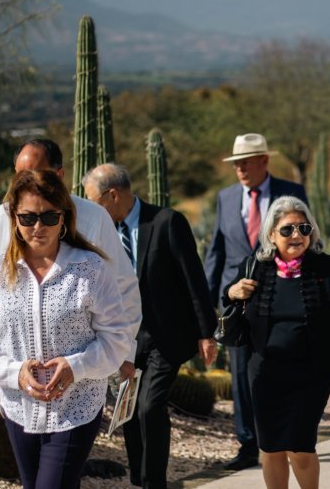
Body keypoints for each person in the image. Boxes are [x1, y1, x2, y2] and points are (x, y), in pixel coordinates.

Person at [0, 170, 133, 488]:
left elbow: (117, 336)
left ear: (64, 217)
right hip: (18, 408)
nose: (38, 227)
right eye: (28, 218)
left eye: (48, 217)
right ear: (14, 219)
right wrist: (15, 373)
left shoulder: (90, 269)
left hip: (76, 407)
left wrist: (75, 367)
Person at [0, 139, 141, 406]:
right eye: (20, 175)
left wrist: (125, 352)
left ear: (60, 175)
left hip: (80, 374)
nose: (28, 181)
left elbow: (123, 286)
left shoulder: (94, 217)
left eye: (37, 174)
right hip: (15, 378)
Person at [83, 164, 218, 489]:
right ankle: (139, 478)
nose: (91, 210)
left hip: (166, 338)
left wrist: (206, 332)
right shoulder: (101, 234)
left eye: (94, 202)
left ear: (113, 195)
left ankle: (154, 482)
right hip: (126, 338)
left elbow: (193, 278)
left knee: (150, 406)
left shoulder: (166, 222)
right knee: (128, 411)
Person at [223, 195, 330, 489]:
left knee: (300, 446)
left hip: (312, 373)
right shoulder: (254, 268)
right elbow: (229, 300)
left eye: (303, 228)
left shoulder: (329, 268)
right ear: (272, 234)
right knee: (270, 447)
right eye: (287, 230)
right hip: (265, 373)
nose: (296, 235)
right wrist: (232, 292)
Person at [203, 133, 307, 471]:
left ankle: (284, 437)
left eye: (246, 162)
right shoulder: (225, 197)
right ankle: (248, 443)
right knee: (240, 374)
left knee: (282, 368)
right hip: (237, 301)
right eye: (236, 164)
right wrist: (208, 302)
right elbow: (217, 250)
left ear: (264, 161)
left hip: (281, 297)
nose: (240, 169)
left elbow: (304, 240)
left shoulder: (291, 193)